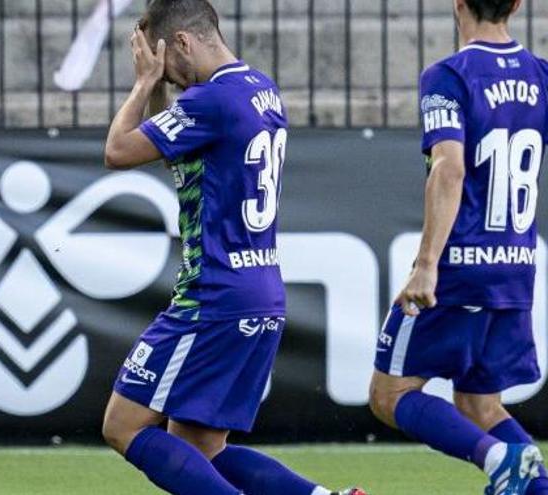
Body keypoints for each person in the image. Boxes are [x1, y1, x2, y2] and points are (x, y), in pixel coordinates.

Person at [101, 1, 365, 494]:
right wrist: (162, 87)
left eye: (168, 64)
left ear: (182, 42)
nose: (171, 79)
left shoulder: (212, 102)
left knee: (123, 425)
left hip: (213, 296)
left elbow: (117, 152)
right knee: (200, 448)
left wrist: (142, 83)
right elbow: (173, 152)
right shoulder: (261, 90)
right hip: (260, 291)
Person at [369, 1, 547, 494]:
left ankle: (500, 459)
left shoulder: (448, 74)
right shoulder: (541, 75)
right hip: (514, 267)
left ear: (457, 4)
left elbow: (449, 167)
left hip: (461, 267)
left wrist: (426, 265)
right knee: (479, 406)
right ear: (515, 5)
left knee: (390, 393)